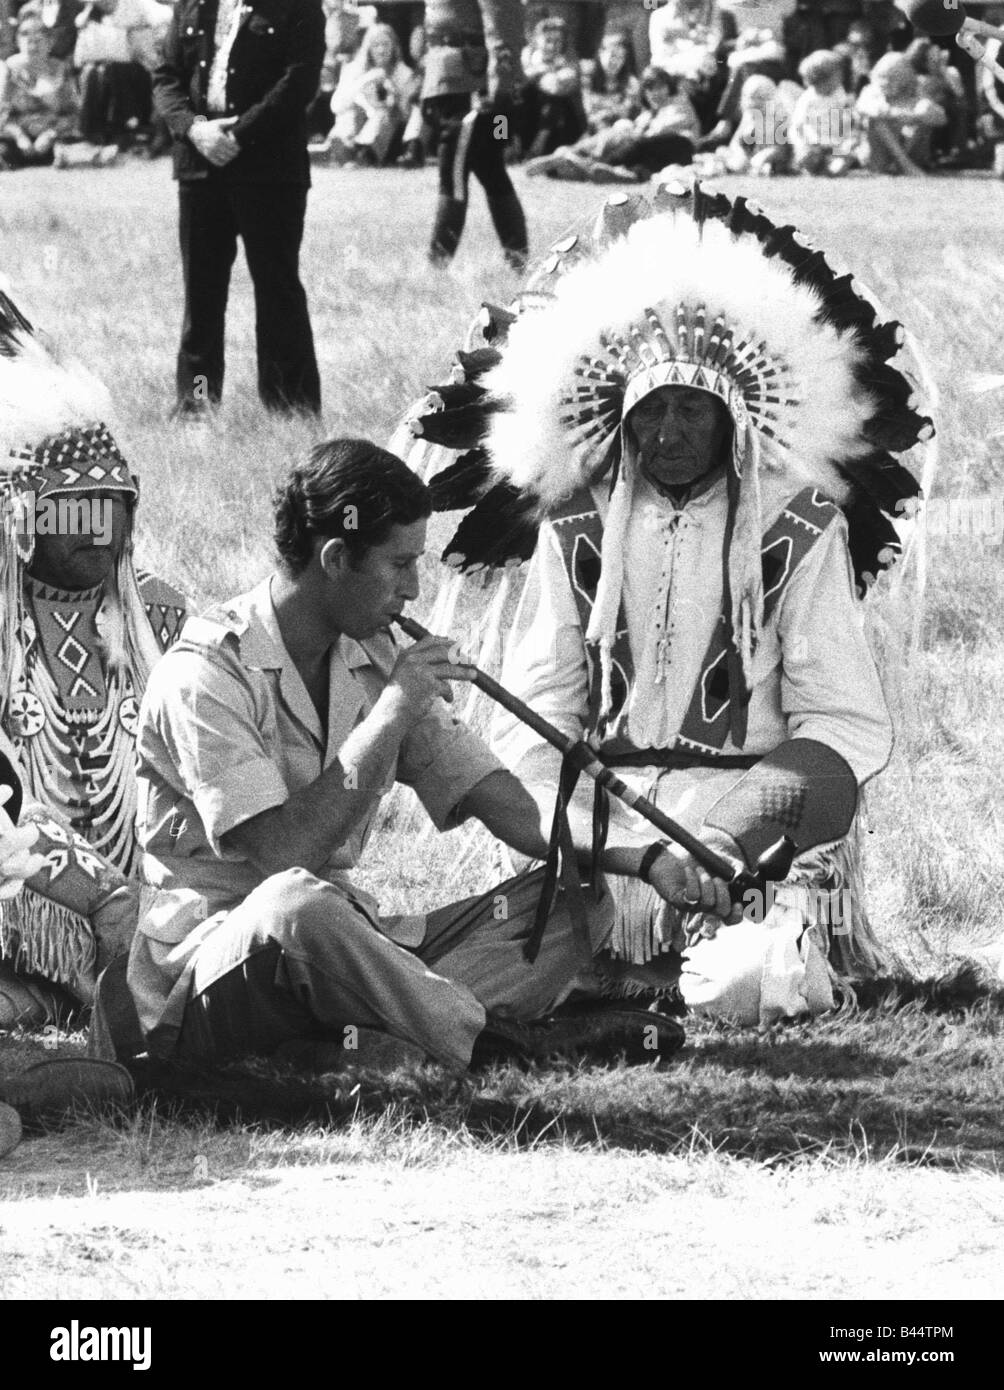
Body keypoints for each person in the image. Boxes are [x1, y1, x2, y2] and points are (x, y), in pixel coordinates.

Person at [404, 186, 930, 1027]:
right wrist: (585, 836)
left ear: (734, 417)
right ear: (620, 416)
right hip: (607, 833)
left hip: (742, 834)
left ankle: (726, 953)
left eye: (692, 408)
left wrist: (738, 831)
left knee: (743, 987)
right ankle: (612, 962)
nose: (668, 431)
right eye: (649, 409)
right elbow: (540, 705)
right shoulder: (575, 524)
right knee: (488, 981)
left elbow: (841, 719)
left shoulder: (795, 526)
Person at [124, 438, 726, 1073]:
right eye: (399, 564)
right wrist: (391, 712)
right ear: (335, 557)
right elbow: (282, 855)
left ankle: (382, 1033)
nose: (413, 589)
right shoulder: (205, 676)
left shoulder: (373, 652)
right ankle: (495, 1044)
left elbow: (512, 810)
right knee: (297, 903)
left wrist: (646, 857)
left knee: (575, 898)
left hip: (347, 949)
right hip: (221, 967)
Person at [0, 284, 187, 1016]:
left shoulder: (163, 617)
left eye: (111, 504)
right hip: (28, 895)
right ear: (19, 514)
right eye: (70, 506)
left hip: (160, 907)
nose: (95, 526)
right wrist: (93, 888)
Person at [153, 0, 325, 418]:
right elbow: (166, 77)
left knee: (277, 289)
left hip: (269, 169)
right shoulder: (192, 6)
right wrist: (194, 129)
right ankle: (196, 406)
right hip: (200, 166)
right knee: (202, 295)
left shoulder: (298, 7)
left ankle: (291, 410)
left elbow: (299, 81)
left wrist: (237, 134)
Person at [420, 0, 528, 269]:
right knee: (491, 168)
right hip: (451, 85)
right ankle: (518, 258)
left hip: (473, 90)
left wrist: (499, 97)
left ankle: (438, 262)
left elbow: (504, 32)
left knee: (454, 172)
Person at [524, 63, 699, 182]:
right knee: (629, 149)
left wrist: (635, 131)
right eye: (650, 89)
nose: (656, 93)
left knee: (634, 142)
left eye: (660, 87)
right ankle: (570, 161)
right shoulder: (648, 113)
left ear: (669, 87)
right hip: (654, 155)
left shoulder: (678, 102)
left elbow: (669, 127)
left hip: (680, 147)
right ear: (644, 93)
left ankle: (581, 162)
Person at [327, 21, 416, 164]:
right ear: (368, 48)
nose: (381, 50)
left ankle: (364, 152)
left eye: (386, 45)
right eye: (376, 45)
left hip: (388, 133)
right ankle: (344, 147)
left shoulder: (403, 73)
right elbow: (336, 106)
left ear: (394, 47)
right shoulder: (354, 69)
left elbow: (408, 116)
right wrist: (368, 79)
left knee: (385, 114)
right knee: (351, 111)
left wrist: (394, 96)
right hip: (358, 124)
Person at [0, 8, 79, 168]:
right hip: (18, 139)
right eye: (25, 34)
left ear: (50, 41)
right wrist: (20, 136)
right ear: (16, 40)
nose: (32, 41)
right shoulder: (8, 69)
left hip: (52, 137)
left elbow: (74, 114)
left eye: (39, 36)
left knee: (68, 148)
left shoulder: (60, 69)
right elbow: (2, 115)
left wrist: (51, 134)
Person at [855, 49, 946, 174]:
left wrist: (917, 115)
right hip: (877, 155)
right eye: (883, 77)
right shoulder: (871, 91)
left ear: (904, 77)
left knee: (925, 111)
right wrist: (898, 114)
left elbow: (941, 117)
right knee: (877, 121)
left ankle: (902, 164)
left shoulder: (914, 91)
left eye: (892, 78)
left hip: (909, 149)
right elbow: (867, 109)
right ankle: (905, 165)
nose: (886, 82)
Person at [520, 15, 585, 155]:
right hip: (530, 115)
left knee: (553, 99)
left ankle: (538, 146)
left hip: (560, 122)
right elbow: (519, 83)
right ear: (537, 40)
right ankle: (510, 143)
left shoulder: (569, 59)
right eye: (548, 40)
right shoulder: (527, 55)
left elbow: (557, 87)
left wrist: (538, 75)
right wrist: (539, 71)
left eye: (557, 41)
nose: (552, 46)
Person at [790, 48, 856, 174]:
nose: (841, 78)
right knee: (807, 156)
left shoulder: (839, 93)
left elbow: (846, 115)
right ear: (822, 78)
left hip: (834, 141)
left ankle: (832, 170)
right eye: (838, 75)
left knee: (847, 154)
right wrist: (809, 140)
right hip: (813, 141)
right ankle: (813, 168)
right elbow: (799, 123)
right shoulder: (808, 99)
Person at [581, 27, 641, 133]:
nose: (615, 62)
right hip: (590, 129)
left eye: (620, 57)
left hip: (619, 131)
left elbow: (627, 112)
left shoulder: (630, 82)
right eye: (612, 56)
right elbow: (587, 110)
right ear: (600, 54)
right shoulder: (587, 76)